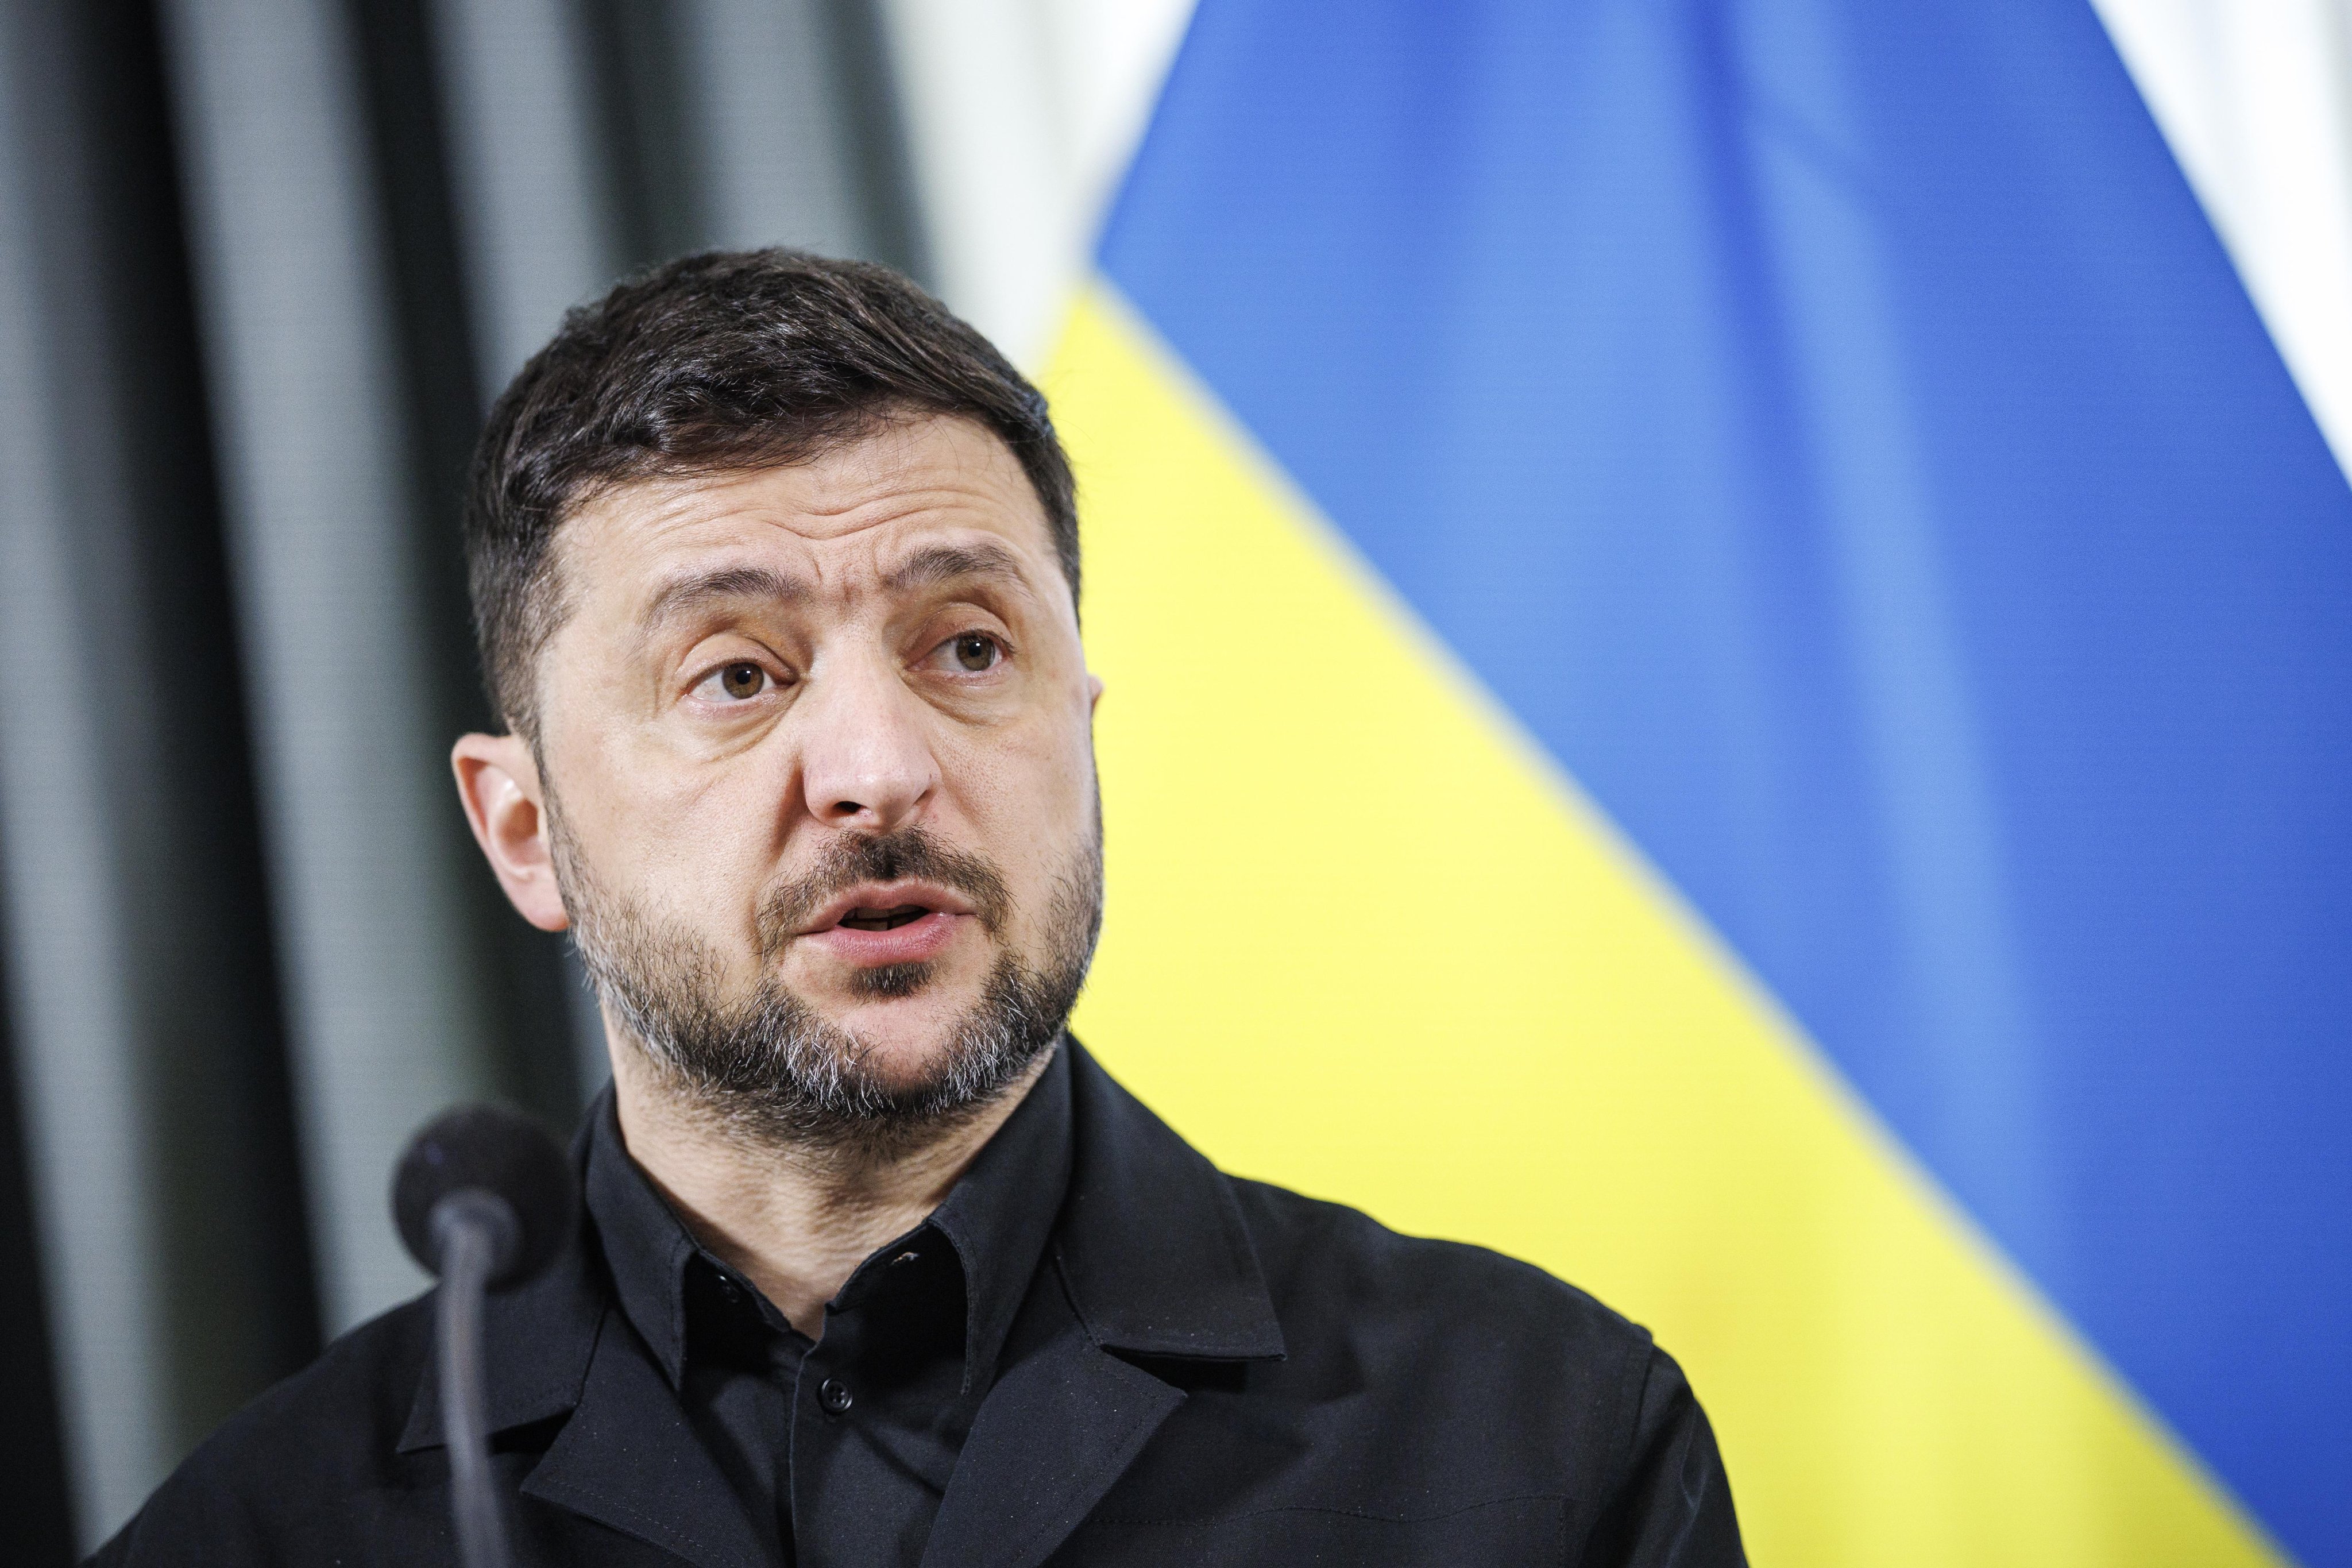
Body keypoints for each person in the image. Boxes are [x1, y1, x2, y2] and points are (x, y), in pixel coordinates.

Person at [92, 250, 1743, 1566]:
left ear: (1082, 735)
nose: (879, 768)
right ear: (526, 830)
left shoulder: (1541, 1442)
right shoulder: (265, 1531)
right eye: (737, 675)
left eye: (967, 646)